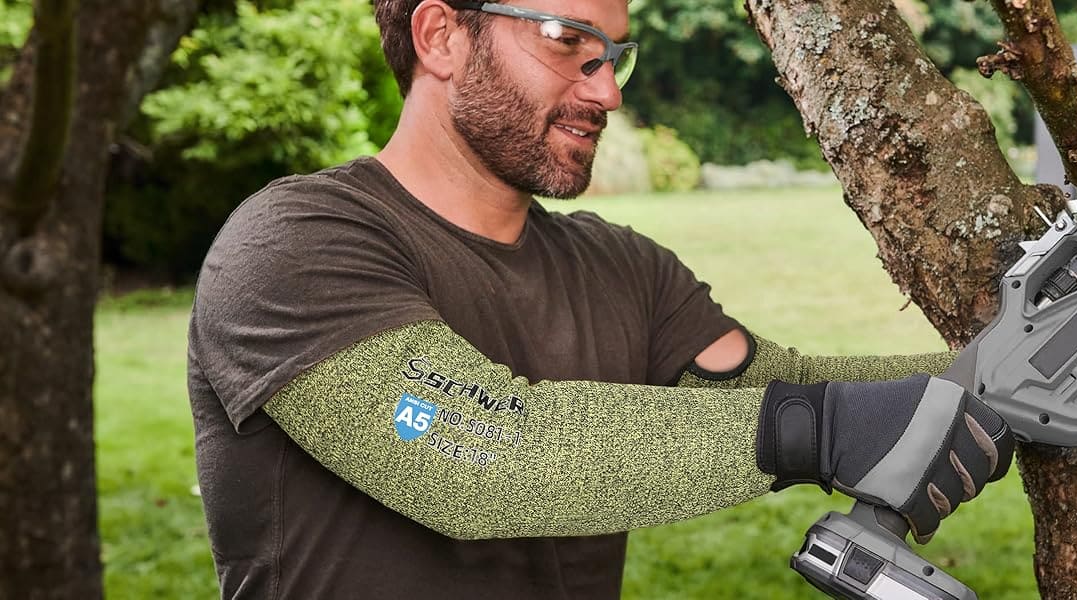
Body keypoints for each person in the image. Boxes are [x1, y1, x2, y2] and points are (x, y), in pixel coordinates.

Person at [187, 0, 1020, 597]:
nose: (606, 92)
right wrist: (814, 430)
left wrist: (1023, 363)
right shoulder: (292, 241)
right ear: (440, 35)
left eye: (612, 54)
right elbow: (480, 460)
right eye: (566, 41)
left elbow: (788, 383)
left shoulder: (620, 268)